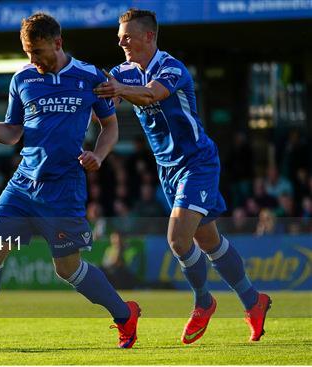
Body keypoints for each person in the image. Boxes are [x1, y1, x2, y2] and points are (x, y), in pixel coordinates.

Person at [0, 12, 141, 352]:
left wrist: (99, 155)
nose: (33, 60)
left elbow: (109, 125)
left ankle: (123, 314)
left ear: (58, 43)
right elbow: (13, 133)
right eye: (28, 52)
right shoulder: (23, 78)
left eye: (38, 52)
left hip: (64, 188)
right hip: (23, 184)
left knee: (67, 269)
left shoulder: (89, 76)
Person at [94, 8, 270, 344]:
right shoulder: (123, 72)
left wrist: (116, 88)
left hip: (197, 162)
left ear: (148, 36)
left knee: (177, 239)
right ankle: (253, 301)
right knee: (209, 241)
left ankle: (204, 302)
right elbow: (108, 98)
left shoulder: (171, 67)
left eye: (127, 37)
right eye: (119, 38)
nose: (122, 43)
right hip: (167, 168)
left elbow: (152, 94)